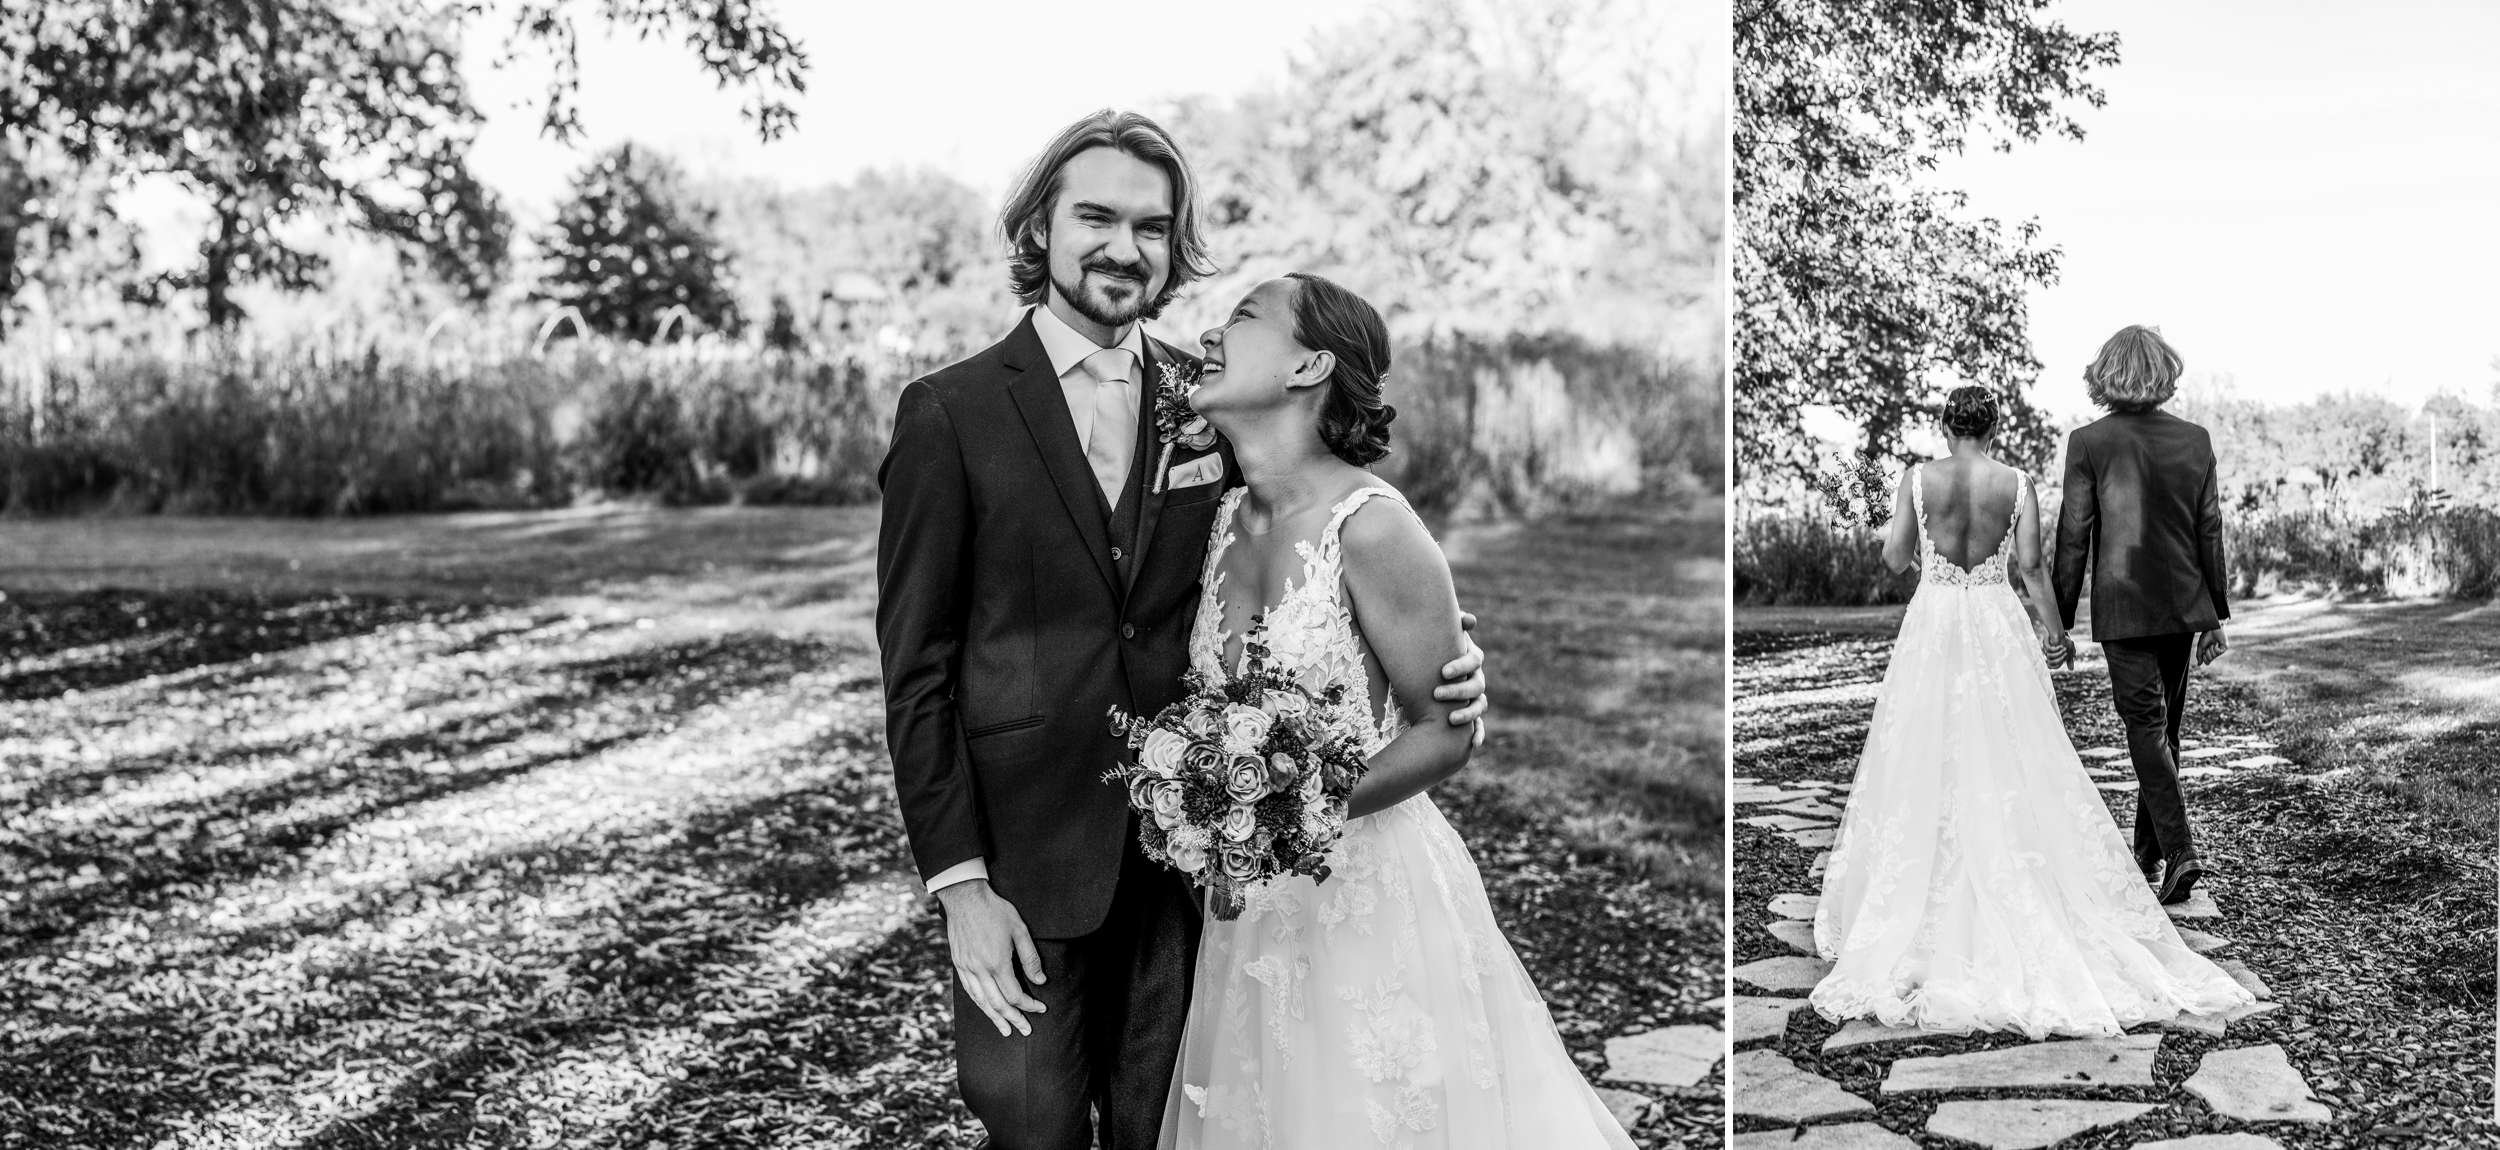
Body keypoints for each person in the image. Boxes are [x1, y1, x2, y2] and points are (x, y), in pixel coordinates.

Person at [875, 110, 1489, 1150]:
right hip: (1028, 863)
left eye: (1152, 227)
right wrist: (961, 886)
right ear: (1041, 228)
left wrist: (1449, 660)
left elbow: (1315, 542)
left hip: (1193, 878)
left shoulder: (1205, 404)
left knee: (1174, 1127)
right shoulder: (949, 413)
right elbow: (917, 671)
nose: (1125, 248)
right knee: (1029, 1126)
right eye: (1097, 218)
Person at [1156, 273, 1632, 1149]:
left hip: (1366, 901)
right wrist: (1219, 810)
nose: (1211, 334)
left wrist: (1289, 814)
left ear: (1309, 367)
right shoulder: (1216, 517)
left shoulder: (1374, 527)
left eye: (1242, 317)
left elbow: (1447, 732)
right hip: (1248, 909)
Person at [1808, 386, 2251, 1040]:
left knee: (1923, 746)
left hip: (1934, 622)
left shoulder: (1917, 481)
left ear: (1944, 426)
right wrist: (2056, 634)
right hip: (1995, 623)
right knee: (2010, 750)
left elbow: (1894, 558)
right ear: (1994, 428)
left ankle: (1920, 889)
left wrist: (1924, 555)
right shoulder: (2016, 484)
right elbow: (2032, 569)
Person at [2053, 325, 2233, 905]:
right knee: (2161, 730)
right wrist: (2213, 613)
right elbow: (2209, 531)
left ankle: (2178, 850)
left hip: (2125, 604)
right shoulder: (2195, 440)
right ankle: (2149, 854)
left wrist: (2058, 619)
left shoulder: (2088, 443)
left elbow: (2073, 535)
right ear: (2164, 373)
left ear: (2105, 374)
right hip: (2180, 605)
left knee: (2148, 728)